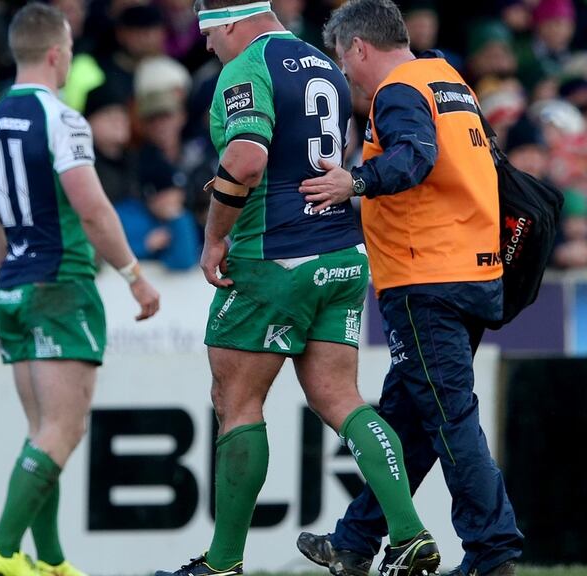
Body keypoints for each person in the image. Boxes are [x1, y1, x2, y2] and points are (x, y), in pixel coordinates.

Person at [155, 2, 438, 575]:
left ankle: (223, 563)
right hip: (342, 253)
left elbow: (246, 157)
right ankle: (409, 533)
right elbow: (343, 146)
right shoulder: (325, 63)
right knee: (342, 399)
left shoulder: (244, 69)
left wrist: (214, 239)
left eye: (209, 34)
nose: (208, 47)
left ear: (230, 23)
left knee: (237, 405)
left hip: (273, 255)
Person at [296, 1, 523, 575]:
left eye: (343, 66)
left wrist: (357, 180)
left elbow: (413, 157)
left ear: (357, 49)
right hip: (472, 272)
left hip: (427, 282)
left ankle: (492, 552)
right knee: (411, 420)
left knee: (450, 419)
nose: (346, 78)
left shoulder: (397, 90)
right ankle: (354, 542)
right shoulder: (447, 79)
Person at [0, 5, 160, 576]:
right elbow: (94, 209)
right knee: (64, 428)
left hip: (14, 286)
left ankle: (49, 559)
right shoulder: (63, 119)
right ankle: (2, 549)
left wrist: (16, 273)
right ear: (57, 53)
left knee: (41, 431)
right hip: (63, 284)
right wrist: (134, 275)